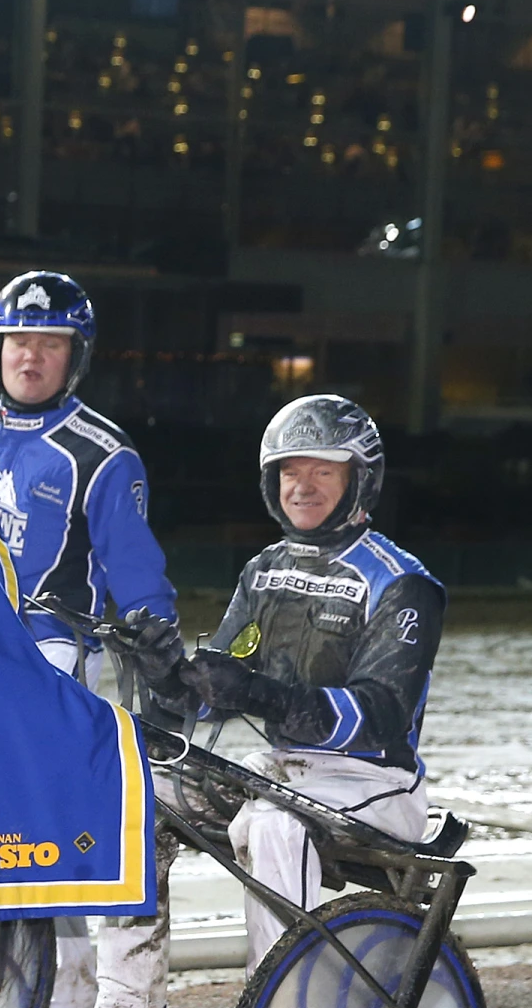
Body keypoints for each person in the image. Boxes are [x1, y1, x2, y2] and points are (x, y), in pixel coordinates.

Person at [0, 270, 181, 1008]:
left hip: (50, 653)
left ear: (73, 357)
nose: (31, 357)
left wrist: (158, 628)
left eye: (49, 344)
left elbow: (135, 568)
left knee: (34, 834)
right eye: (19, 341)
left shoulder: (104, 452)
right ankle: (37, 1006)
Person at [174, 394, 445, 968]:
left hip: (377, 782)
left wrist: (259, 693)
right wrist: (166, 670)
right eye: (290, 471)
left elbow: (379, 712)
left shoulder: (402, 583)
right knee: (148, 796)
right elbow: (217, 685)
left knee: (271, 823)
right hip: (284, 771)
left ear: (360, 480)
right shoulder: (264, 570)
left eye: (323, 470)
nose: (302, 485)